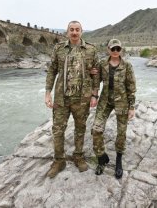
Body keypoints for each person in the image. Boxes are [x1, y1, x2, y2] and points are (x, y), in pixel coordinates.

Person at [44, 21, 99, 178]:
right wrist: (48, 93)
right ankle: (59, 161)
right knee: (58, 129)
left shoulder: (91, 49)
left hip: (82, 98)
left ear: (82, 31)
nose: (74, 32)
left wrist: (95, 94)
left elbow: (96, 73)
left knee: (80, 129)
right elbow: (51, 71)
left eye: (77, 30)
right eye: (71, 30)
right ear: (67, 32)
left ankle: (78, 156)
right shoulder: (59, 48)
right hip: (61, 98)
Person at [91, 38, 136, 179]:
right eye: (113, 49)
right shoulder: (102, 64)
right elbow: (95, 82)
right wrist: (94, 96)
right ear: (108, 50)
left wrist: (132, 106)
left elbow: (131, 87)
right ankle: (101, 158)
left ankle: (118, 161)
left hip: (122, 102)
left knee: (121, 133)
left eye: (118, 49)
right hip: (105, 101)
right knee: (96, 130)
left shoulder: (127, 65)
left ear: (121, 50)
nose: (115, 51)